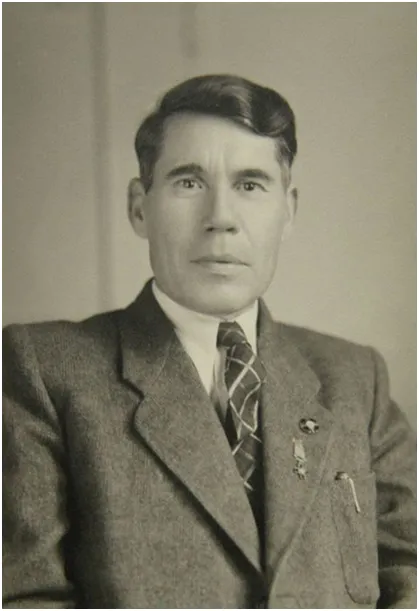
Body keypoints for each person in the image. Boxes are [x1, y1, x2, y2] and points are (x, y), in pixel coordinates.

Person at [3, 74, 416, 609]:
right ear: (139, 207)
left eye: (250, 185)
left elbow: (407, 568)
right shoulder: (45, 370)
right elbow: (25, 596)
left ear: (288, 210)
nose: (221, 219)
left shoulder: (356, 379)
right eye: (189, 182)